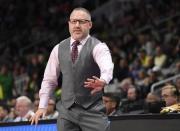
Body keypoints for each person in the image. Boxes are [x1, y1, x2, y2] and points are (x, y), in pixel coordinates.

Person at [31, 7, 114, 131]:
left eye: (82, 21)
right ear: (69, 24)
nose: (77, 25)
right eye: (73, 21)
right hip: (66, 112)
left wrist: (103, 80)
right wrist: (42, 106)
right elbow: (49, 80)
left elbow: (107, 66)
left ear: (90, 24)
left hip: (92, 110)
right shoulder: (58, 48)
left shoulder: (99, 47)